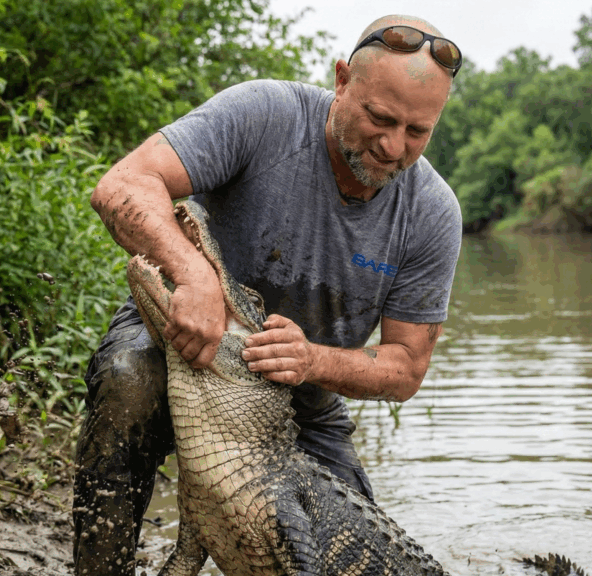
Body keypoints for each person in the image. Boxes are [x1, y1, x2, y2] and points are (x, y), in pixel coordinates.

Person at [72, 14, 463, 576]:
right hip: (183, 342)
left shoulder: (432, 212)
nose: (392, 145)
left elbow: (404, 368)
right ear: (343, 80)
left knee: (365, 555)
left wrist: (311, 359)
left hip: (301, 398)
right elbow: (123, 184)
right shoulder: (264, 113)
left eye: (417, 131)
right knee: (128, 380)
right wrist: (194, 275)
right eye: (380, 117)